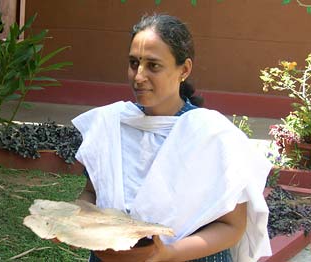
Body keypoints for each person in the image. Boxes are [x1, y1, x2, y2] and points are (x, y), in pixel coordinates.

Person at [72, 14, 272, 262]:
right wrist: (73, 220)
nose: (138, 76)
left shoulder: (211, 135)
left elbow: (232, 226)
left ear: (184, 69)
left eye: (153, 66)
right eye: (134, 63)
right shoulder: (111, 123)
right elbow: (92, 193)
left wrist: (168, 253)